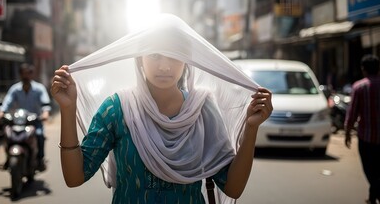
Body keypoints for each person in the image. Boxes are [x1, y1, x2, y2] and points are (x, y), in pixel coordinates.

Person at [51, 14, 272, 203]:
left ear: (186, 60)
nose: (164, 66)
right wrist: (68, 110)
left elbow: (233, 188)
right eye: (155, 55)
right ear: (140, 59)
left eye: (174, 56)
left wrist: (251, 129)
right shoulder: (117, 109)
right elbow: (75, 177)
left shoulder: (202, 109)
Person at [0, 63, 51, 171]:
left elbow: (45, 104)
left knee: (39, 135)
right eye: (23, 74)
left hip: (34, 121)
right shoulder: (15, 89)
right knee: (8, 135)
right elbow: (7, 102)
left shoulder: (39, 89)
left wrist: (45, 113)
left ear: (32, 74)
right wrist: (1, 112)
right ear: (20, 75)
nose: (26, 76)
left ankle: (40, 160)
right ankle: (8, 159)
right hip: (18, 121)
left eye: (28, 73)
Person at [345, 54, 380, 204]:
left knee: (370, 170)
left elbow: (352, 114)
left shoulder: (359, 87)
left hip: (366, 138)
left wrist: (347, 133)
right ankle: (372, 197)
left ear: (363, 69)